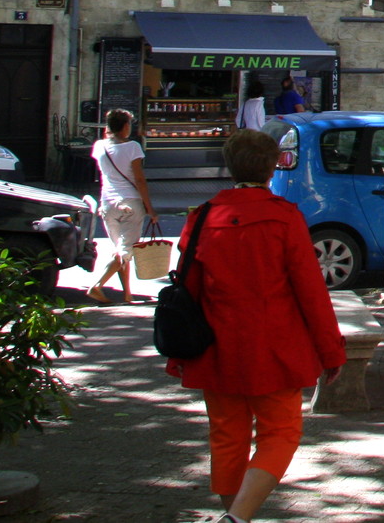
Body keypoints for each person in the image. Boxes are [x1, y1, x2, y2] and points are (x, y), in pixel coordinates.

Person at [167, 129, 346, 523]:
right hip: (275, 346)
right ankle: (237, 518)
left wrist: (179, 354)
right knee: (280, 434)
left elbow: (186, 293)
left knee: (227, 437)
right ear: (272, 167)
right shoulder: (285, 217)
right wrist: (331, 351)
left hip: (216, 346)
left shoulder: (201, 218)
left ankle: (233, 514)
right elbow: (311, 292)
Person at [89, 108, 157, 303]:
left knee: (121, 251)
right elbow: (139, 180)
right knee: (125, 251)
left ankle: (127, 294)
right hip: (130, 203)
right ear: (126, 126)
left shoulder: (99, 146)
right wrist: (150, 208)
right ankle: (97, 286)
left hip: (108, 204)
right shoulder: (133, 147)